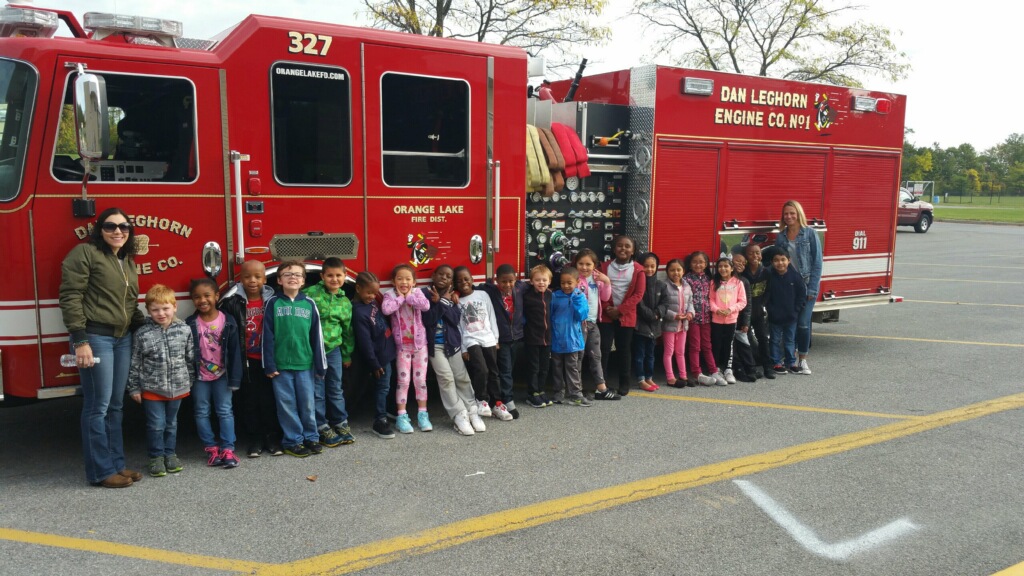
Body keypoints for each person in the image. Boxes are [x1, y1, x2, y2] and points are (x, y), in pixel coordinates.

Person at [59, 207, 146, 488]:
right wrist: (80, 340)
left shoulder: (127, 261)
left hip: (121, 339)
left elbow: (130, 303)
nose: (118, 231)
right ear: (99, 230)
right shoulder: (84, 254)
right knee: (98, 405)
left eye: (123, 226)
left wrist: (150, 327)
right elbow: (71, 296)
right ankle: (100, 471)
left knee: (116, 406)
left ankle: (116, 464)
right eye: (110, 226)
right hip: (95, 338)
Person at [127, 284, 195, 477]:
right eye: (155, 310)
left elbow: (190, 358)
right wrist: (134, 388)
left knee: (172, 423)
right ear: (148, 311)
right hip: (152, 388)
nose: (161, 313)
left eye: (165, 308)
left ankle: (170, 454)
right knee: (156, 424)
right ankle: (156, 457)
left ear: (175, 307)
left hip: (178, 386)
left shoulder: (184, 330)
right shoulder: (142, 334)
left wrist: (189, 380)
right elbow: (135, 363)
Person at [219, 260, 284, 457]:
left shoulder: (273, 301)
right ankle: (254, 438)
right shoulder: (231, 303)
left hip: (269, 360)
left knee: (270, 399)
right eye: (247, 277)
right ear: (241, 279)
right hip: (246, 361)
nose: (252, 281)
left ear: (265, 279)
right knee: (249, 400)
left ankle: (271, 437)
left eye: (257, 277)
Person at [262, 262, 326, 457]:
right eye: (288, 274)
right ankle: (293, 440)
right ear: (279, 280)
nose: (293, 277)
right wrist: (269, 364)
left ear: (304, 281)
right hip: (280, 366)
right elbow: (267, 336)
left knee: (308, 403)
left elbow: (317, 336)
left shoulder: (309, 304)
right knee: (286, 404)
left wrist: (320, 365)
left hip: (305, 364)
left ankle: (311, 437)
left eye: (298, 275)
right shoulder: (273, 304)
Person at [186, 278, 243, 468]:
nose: (202, 300)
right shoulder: (191, 323)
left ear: (217, 296)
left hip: (222, 376)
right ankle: (211, 448)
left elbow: (235, 352)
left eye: (207, 295)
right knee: (201, 412)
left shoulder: (228, 321)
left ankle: (228, 448)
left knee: (225, 411)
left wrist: (235, 379)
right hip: (199, 377)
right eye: (197, 297)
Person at [302, 257, 356, 446]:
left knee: (335, 388)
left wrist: (347, 354)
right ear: (322, 276)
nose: (334, 279)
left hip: (333, 350)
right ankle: (321, 425)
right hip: (313, 350)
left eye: (338, 275)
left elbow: (348, 330)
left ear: (345, 276)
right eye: (330, 275)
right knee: (317, 390)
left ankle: (340, 422)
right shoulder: (309, 294)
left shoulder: (345, 302)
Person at [422, 265, 481, 436]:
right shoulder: (424, 295)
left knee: (461, 377)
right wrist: (441, 303)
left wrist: (444, 301)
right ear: (433, 275)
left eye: (448, 276)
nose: (444, 278)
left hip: (452, 344)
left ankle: (472, 410)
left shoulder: (452, 297)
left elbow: (454, 319)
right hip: (435, 347)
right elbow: (429, 320)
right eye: (440, 274)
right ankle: (458, 414)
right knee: (446, 378)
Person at [382, 264, 433, 434]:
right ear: (393, 281)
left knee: (420, 381)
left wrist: (409, 296)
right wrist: (401, 298)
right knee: (403, 382)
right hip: (401, 346)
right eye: (400, 278)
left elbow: (425, 306)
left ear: (414, 281)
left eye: (408, 279)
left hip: (420, 345)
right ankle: (402, 416)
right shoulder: (390, 295)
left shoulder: (417, 293)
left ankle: (422, 414)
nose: (404, 282)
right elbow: (386, 309)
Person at [774, 200, 822, 375]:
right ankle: (789, 360)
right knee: (789, 323)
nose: (789, 217)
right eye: (786, 214)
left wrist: (812, 289)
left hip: (806, 285)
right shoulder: (781, 236)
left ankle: (803, 360)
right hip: (788, 286)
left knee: (802, 324)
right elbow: (778, 262)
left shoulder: (810, 234)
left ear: (799, 214)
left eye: (792, 213)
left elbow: (817, 263)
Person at [476, 263, 525, 419]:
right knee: (505, 370)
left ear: (516, 279)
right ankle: (508, 400)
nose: (507, 285)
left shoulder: (520, 288)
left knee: (509, 369)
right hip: (501, 338)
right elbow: (473, 287)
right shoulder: (490, 291)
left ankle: (503, 396)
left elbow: (539, 284)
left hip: (516, 337)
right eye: (503, 282)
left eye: (510, 281)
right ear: (497, 280)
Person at [352, 271, 398, 439]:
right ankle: (380, 420)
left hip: (388, 352)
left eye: (375, 292)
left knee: (390, 385)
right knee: (382, 388)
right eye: (369, 292)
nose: (372, 296)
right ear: (358, 288)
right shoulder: (358, 312)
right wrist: (374, 364)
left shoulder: (370, 304)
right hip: (379, 358)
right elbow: (365, 343)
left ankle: (389, 410)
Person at [599, 235, 646, 396]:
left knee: (624, 350)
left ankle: (624, 383)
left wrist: (620, 310)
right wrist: (608, 309)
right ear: (613, 248)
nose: (623, 249)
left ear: (633, 251)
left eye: (627, 246)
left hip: (626, 316)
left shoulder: (639, 270)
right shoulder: (604, 267)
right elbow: (598, 289)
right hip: (606, 315)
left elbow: (638, 295)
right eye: (619, 245)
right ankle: (602, 383)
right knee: (603, 349)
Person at [453, 266, 499, 428]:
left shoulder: (483, 294)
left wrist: (496, 337)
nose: (463, 282)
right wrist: (464, 348)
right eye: (459, 281)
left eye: (466, 279)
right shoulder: (457, 302)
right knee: (482, 369)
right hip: (471, 339)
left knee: (493, 371)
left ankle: (498, 403)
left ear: (472, 279)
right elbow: (459, 327)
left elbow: (492, 315)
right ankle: (482, 400)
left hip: (488, 338)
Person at [573, 249, 619, 401]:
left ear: (595, 265)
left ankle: (601, 389)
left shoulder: (596, 279)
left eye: (588, 264)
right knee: (577, 357)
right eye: (581, 264)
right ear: (576, 264)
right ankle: (576, 389)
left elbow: (605, 296)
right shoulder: (574, 279)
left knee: (595, 356)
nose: (584, 267)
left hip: (592, 323)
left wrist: (606, 281)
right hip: (578, 324)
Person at [550, 266, 591, 407]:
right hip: (557, 339)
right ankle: (558, 392)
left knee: (572, 368)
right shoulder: (555, 297)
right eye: (563, 283)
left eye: (569, 283)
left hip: (573, 341)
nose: (566, 286)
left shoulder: (580, 297)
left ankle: (575, 394)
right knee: (556, 367)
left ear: (577, 282)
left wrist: (577, 300)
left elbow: (582, 315)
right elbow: (549, 316)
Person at [765, 251, 807, 375]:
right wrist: (770, 310)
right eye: (776, 260)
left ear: (789, 261)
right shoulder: (770, 277)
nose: (780, 263)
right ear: (772, 263)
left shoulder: (795, 277)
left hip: (791, 317)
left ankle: (791, 363)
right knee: (774, 340)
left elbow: (801, 295)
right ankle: (776, 362)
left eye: (783, 259)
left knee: (790, 340)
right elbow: (766, 296)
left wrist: (796, 310)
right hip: (775, 317)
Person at [684, 251, 720, 387]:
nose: (698, 264)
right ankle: (696, 373)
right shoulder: (687, 279)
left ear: (706, 264)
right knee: (695, 346)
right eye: (695, 262)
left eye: (701, 262)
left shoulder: (709, 279)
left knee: (707, 345)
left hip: (707, 318)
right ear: (690, 264)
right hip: (693, 318)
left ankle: (713, 370)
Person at [522, 264, 554, 408]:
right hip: (532, 338)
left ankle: (541, 391)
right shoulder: (527, 297)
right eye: (537, 280)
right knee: (533, 367)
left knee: (544, 367)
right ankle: (532, 393)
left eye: (544, 280)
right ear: (531, 282)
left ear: (549, 282)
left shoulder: (550, 295)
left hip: (547, 339)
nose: (541, 282)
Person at [658, 259, 694, 387]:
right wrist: (674, 316)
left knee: (680, 352)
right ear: (667, 272)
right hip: (669, 325)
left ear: (683, 271)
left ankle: (683, 376)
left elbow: (690, 303)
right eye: (672, 270)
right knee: (669, 352)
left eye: (678, 270)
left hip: (683, 326)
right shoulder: (664, 286)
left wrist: (690, 313)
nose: (676, 273)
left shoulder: (687, 286)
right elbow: (661, 306)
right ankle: (670, 377)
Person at [742, 244, 774, 380]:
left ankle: (768, 366)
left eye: (757, 253)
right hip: (745, 312)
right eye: (751, 253)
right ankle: (751, 366)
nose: (755, 256)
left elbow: (769, 291)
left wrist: (763, 304)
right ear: (746, 257)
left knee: (762, 338)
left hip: (759, 312)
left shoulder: (767, 272)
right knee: (747, 339)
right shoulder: (743, 274)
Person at [633, 252, 662, 391]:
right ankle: (640, 379)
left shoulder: (661, 285)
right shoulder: (637, 283)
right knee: (640, 355)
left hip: (654, 327)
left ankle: (649, 377)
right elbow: (639, 303)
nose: (649, 269)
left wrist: (658, 313)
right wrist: (652, 315)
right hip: (641, 326)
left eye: (653, 266)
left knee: (651, 355)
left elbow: (665, 303)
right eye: (646, 266)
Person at [730, 253, 759, 383]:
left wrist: (746, 322)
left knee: (744, 344)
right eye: (737, 261)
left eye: (743, 262)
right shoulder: (721, 281)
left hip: (741, 320)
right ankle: (739, 369)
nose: (740, 264)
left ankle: (750, 368)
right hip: (727, 320)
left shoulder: (744, 281)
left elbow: (748, 305)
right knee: (732, 347)